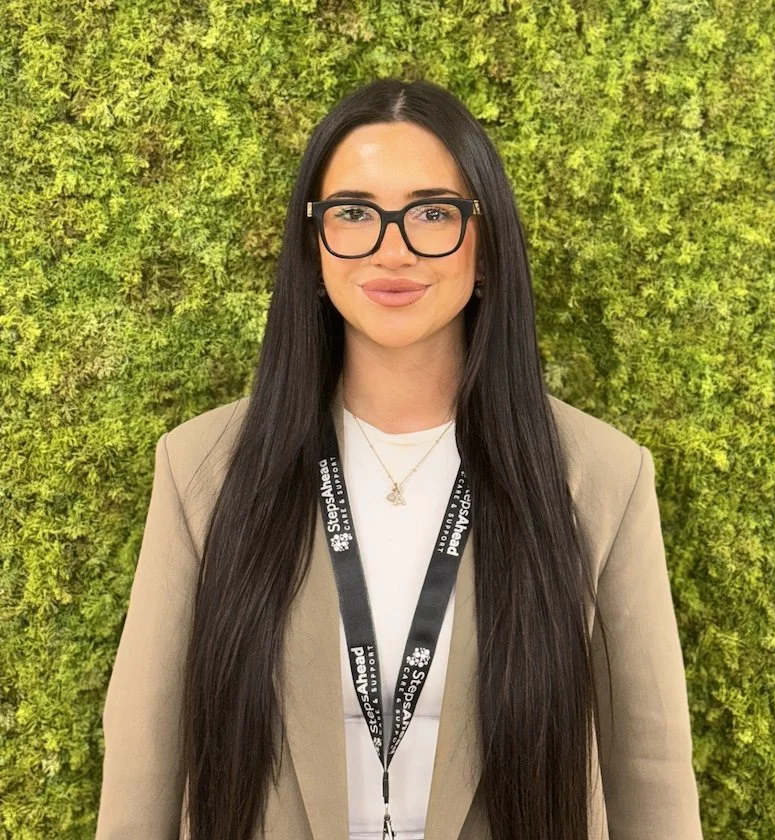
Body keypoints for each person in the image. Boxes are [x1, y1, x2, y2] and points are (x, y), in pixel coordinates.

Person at [95, 77, 704, 840]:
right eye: (353, 213)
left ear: (485, 248)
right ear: (313, 246)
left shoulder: (600, 479)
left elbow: (649, 777)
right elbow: (143, 770)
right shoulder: (204, 473)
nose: (392, 245)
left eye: (432, 214)